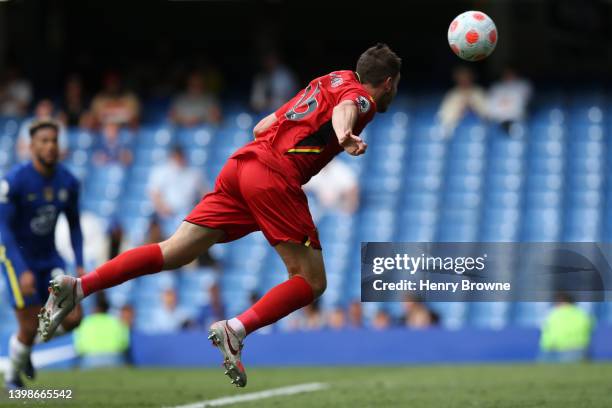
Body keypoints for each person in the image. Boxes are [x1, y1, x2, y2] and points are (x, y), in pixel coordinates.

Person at [39, 43, 402, 388]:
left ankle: (80, 286)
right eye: (394, 85)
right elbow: (347, 110)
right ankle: (236, 329)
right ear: (387, 82)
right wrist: (344, 135)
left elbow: (263, 125)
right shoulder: (363, 100)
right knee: (311, 281)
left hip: (243, 163)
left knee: (174, 251)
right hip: (274, 177)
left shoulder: (333, 77)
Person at [0, 119, 84, 390]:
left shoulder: (68, 181)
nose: (50, 146)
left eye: (54, 141)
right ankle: (13, 375)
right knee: (29, 324)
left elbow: (74, 225)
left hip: (50, 258)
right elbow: (4, 228)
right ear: (31, 145)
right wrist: (21, 268)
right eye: (44, 141)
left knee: (73, 318)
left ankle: (23, 348)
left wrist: (80, 263)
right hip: (16, 258)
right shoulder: (14, 181)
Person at [148, 146, 207, 238]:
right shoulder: (161, 172)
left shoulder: (194, 173)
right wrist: (163, 208)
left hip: (188, 214)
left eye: (180, 157)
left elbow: (205, 193)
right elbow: (154, 194)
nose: (179, 160)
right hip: (166, 214)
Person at [74, 292, 129, 368]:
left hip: (90, 360)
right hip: (114, 360)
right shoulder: (117, 322)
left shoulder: (84, 323)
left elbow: (79, 348)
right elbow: (125, 345)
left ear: (94, 308)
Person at [539, 293, 593, 362]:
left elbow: (547, 336)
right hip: (580, 350)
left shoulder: (553, 314)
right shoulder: (582, 314)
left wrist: (546, 349)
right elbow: (590, 329)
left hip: (559, 350)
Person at [437, 66, 487, 136]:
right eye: (461, 78)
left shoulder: (478, 92)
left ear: (471, 78)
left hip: (478, 130)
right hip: (456, 132)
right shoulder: (452, 94)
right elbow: (443, 116)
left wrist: (473, 106)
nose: (464, 80)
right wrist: (460, 109)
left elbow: (488, 114)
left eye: (466, 77)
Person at [487, 67, 532, 133]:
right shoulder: (496, 87)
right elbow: (491, 106)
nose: (508, 75)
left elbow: (522, 103)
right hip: (497, 120)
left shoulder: (523, 84)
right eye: (506, 73)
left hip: (517, 119)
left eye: (510, 73)